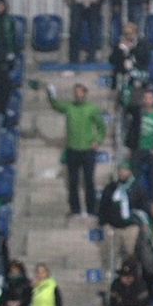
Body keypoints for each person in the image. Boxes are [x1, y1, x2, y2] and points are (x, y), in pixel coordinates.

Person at [47, 81, 106, 219]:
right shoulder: (69, 107)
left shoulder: (92, 108)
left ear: (85, 94)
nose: (77, 95)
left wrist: (97, 140)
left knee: (89, 181)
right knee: (73, 182)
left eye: (80, 92)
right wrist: (50, 94)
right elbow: (56, 105)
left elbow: (101, 127)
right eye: (75, 92)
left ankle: (91, 209)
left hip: (87, 150)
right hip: (72, 149)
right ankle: (75, 210)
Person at [125, 90, 153, 202]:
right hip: (137, 149)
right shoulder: (137, 113)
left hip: (152, 151)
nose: (147, 100)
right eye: (145, 98)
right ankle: (135, 202)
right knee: (134, 179)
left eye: (150, 98)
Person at [97, 160, 151, 231]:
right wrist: (104, 223)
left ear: (130, 172)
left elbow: (144, 207)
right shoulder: (111, 188)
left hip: (131, 227)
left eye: (125, 170)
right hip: (112, 228)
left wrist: (142, 223)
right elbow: (103, 206)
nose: (122, 173)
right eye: (120, 170)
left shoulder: (137, 189)